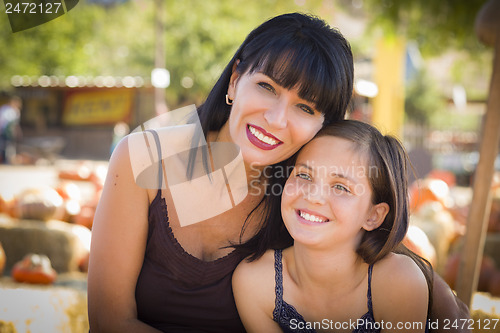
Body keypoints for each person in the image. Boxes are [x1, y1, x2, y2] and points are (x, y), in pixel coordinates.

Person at [87, 12, 470, 333]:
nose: (276, 119)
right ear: (236, 79)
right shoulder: (143, 158)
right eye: (267, 87)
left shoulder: (302, 193)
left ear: (324, 126)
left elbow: (396, 267)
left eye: (305, 108)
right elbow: (109, 320)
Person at [233, 120, 431, 332]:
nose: (313, 196)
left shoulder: (399, 282)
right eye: (303, 175)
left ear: (373, 215)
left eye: (340, 187)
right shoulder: (255, 282)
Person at [0, 95, 22, 164]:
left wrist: (17, 132)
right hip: (3, 131)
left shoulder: (16, 111)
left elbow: (15, 124)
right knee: (3, 146)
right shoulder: (5, 109)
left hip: (10, 133)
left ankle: (8, 161)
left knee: (10, 147)